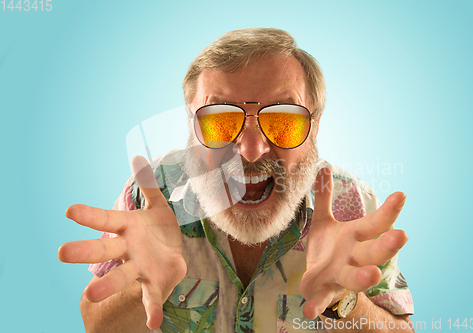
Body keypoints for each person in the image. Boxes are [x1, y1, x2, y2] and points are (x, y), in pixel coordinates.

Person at [58, 28, 414, 332]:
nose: (251, 151)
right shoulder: (151, 192)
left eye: (283, 120)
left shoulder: (349, 204)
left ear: (315, 126)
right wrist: (140, 286)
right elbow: (97, 325)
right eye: (220, 119)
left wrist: (343, 300)